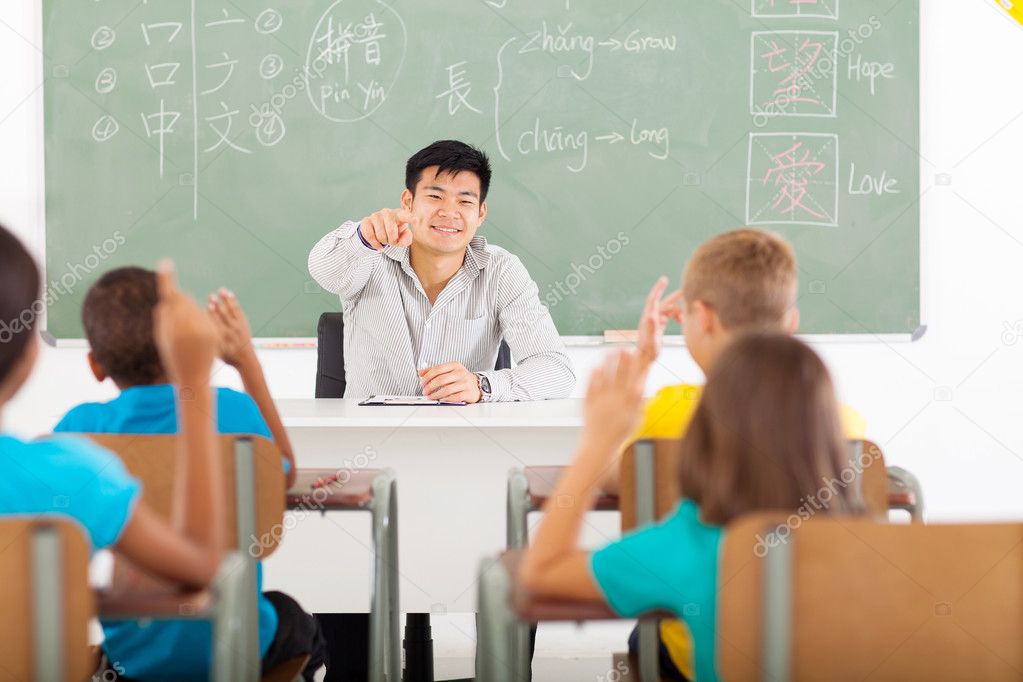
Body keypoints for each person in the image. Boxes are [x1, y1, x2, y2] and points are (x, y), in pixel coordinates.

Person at [519, 332, 865, 682]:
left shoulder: (691, 546)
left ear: (705, 432)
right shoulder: (880, 552)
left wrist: (597, 443)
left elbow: (541, 571)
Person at [53, 266, 324, 681]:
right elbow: (282, 474)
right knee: (294, 618)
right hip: (240, 643)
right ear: (185, 345)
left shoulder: (80, 429)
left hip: (131, 652)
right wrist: (245, 361)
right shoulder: (230, 410)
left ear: (95, 365)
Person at [0, 224, 230, 677]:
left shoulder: (76, 443)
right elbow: (202, 568)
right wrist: (194, 385)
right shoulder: (68, 475)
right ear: (28, 352)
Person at [308, 139, 575, 402]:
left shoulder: (501, 271)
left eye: (465, 201)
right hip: (371, 436)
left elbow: (557, 370)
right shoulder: (370, 254)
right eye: (435, 196)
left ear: (481, 213)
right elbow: (323, 270)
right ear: (408, 201)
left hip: (460, 438)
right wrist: (363, 237)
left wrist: (483, 385)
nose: (449, 212)